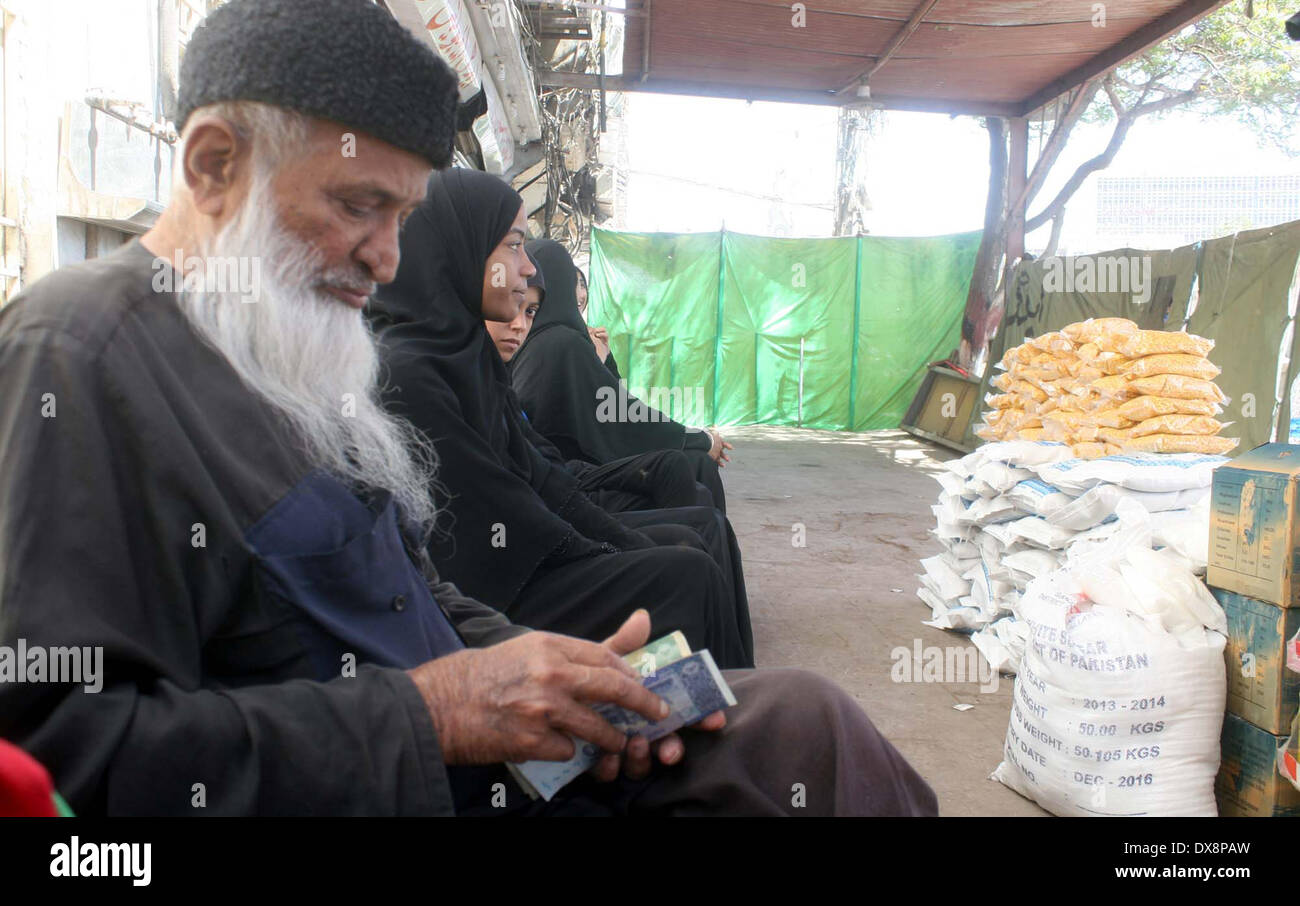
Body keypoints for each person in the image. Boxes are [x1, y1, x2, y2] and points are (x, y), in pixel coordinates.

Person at [0, 0, 935, 817]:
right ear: (213, 165)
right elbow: (62, 758)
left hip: (486, 762)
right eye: (361, 206)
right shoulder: (82, 351)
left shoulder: (284, 348)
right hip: (402, 784)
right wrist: (439, 714)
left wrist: (554, 673)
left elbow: (405, 587)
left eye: (403, 219)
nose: (388, 260)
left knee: (799, 721)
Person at [369, 169, 753, 668]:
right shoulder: (411, 372)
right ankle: (721, 729)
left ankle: (727, 706)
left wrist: (622, 545)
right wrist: (610, 551)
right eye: (512, 246)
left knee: (682, 552)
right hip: (487, 596)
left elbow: (544, 475)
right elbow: (507, 507)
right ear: (460, 249)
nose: (527, 268)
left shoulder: (470, 360)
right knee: (685, 574)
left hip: (524, 557)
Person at [511, 240, 734, 512]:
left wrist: (603, 359)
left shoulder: (534, 343)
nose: (579, 294)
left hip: (562, 471)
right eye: (574, 283)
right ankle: (699, 548)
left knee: (686, 463)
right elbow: (622, 417)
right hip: (571, 479)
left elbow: (608, 401)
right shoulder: (562, 343)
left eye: (583, 286)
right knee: (694, 465)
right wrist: (699, 439)